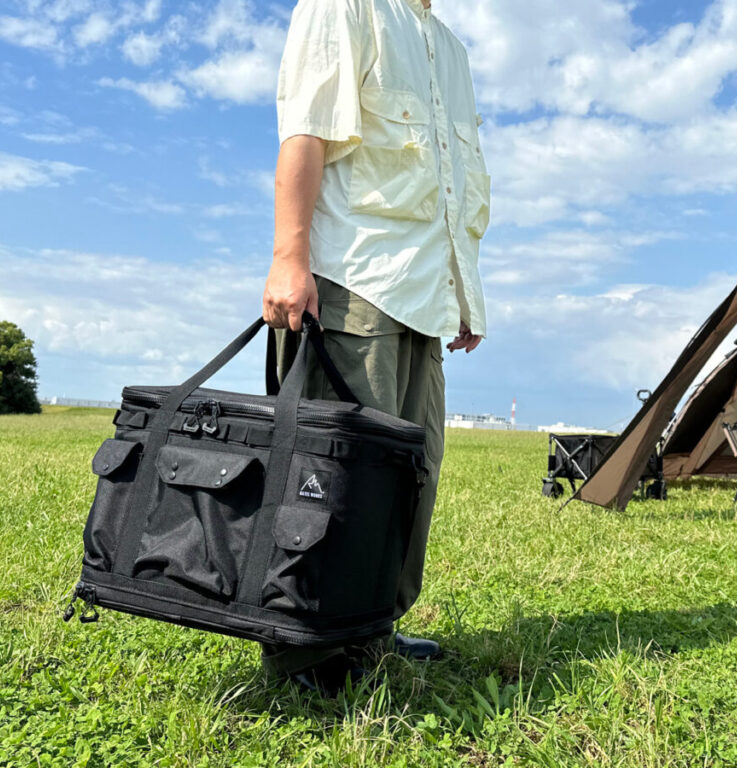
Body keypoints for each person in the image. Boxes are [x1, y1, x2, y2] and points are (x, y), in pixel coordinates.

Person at [260, 0, 490, 694]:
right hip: (352, 281)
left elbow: (455, 180)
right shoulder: (344, 5)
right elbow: (305, 130)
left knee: (408, 477)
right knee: (329, 477)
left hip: (423, 294)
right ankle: (304, 650)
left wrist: (464, 292)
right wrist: (289, 259)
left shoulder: (451, 50)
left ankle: (369, 627)